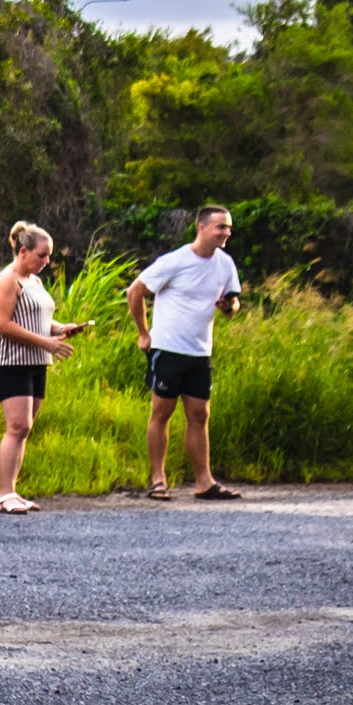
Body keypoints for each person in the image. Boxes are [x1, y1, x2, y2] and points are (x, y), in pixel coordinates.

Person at [129, 204, 244, 501]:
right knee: (162, 412)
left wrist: (229, 307)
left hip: (199, 351)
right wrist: (144, 333)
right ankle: (158, 480)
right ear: (202, 227)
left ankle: (204, 482)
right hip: (168, 348)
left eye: (229, 227)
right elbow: (135, 291)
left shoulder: (225, 264)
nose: (226, 232)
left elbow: (233, 303)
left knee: (199, 414)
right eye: (221, 227)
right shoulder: (175, 261)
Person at [0, 221, 87, 514]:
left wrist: (60, 328)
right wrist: (47, 343)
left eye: (48, 256)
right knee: (16, 426)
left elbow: (38, 318)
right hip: (10, 362)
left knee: (25, 429)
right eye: (42, 255)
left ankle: (12, 490)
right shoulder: (8, 280)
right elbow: (2, 324)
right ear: (23, 251)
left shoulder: (35, 281)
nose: (46, 262)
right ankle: (4, 493)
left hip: (36, 362)